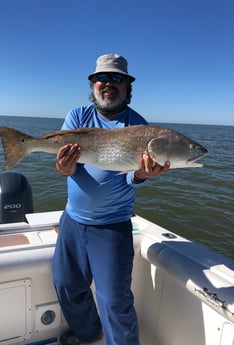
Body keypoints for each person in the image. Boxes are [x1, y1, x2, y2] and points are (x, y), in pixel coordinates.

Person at [53, 54, 169, 345]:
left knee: (115, 301)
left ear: (127, 87)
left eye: (117, 79)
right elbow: (67, 167)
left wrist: (142, 175)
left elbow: (130, 177)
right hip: (72, 221)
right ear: (93, 84)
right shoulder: (78, 115)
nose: (109, 84)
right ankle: (89, 335)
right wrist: (63, 167)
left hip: (111, 225)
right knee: (67, 286)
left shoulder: (140, 128)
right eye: (102, 78)